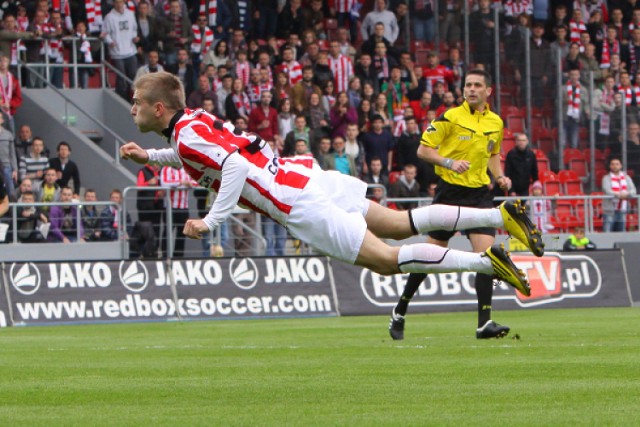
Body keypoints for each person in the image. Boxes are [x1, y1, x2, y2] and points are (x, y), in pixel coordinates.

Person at [121, 72, 539, 303]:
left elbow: (230, 165)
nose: (132, 107)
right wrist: (152, 158)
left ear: (159, 108)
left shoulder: (187, 136)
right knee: (397, 223)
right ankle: (497, 215)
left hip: (294, 202)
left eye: (137, 101)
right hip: (304, 174)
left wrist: (211, 222)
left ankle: (486, 264)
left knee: (388, 260)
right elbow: (206, 155)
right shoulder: (191, 122)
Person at [389, 69, 545, 341]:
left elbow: (493, 153)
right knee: (429, 257)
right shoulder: (450, 116)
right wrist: (450, 163)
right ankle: (400, 310)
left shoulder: (496, 122)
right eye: (468, 85)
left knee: (488, 258)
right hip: (449, 194)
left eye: (477, 85)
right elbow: (423, 151)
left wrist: (499, 177)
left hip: (479, 197)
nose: (471, 89)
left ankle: (484, 323)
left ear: (488, 91)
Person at [101, 0, 139, 100]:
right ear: (114, 3)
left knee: (133, 76)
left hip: (131, 50)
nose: (119, 4)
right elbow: (105, 33)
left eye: (120, 2)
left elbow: (134, 29)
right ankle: (121, 99)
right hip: (117, 53)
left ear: (124, 3)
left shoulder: (130, 14)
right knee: (121, 77)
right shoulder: (109, 17)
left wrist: (135, 37)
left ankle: (133, 99)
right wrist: (110, 42)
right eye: (117, 2)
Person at [159, 165, 192, 257]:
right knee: (167, 231)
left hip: (184, 207)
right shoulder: (166, 169)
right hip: (170, 207)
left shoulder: (187, 168)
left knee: (182, 233)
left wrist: (189, 183)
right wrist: (180, 182)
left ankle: (179, 256)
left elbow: (195, 182)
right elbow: (164, 183)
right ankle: (165, 255)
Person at [602, 158, 637, 232]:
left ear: (620, 166)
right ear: (610, 166)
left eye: (617, 164)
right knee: (607, 233)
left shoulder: (627, 178)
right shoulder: (606, 178)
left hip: (622, 210)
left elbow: (633, 190)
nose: (615, 166)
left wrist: (627, 194)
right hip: (609, 211)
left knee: (621, 233)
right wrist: (619, 195)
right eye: (613, 164)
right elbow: (607, 190)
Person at [504, 133, 538, 198]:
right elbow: (507, 173)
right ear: (516, 142)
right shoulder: (511, 154)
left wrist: (534, 188)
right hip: (513, 189)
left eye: (523, 140)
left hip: (525, 189)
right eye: (519, 140)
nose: (521, 142)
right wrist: (511, 190)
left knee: (525, 207)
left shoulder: (531, 155)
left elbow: (534, 173)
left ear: (527, 142)